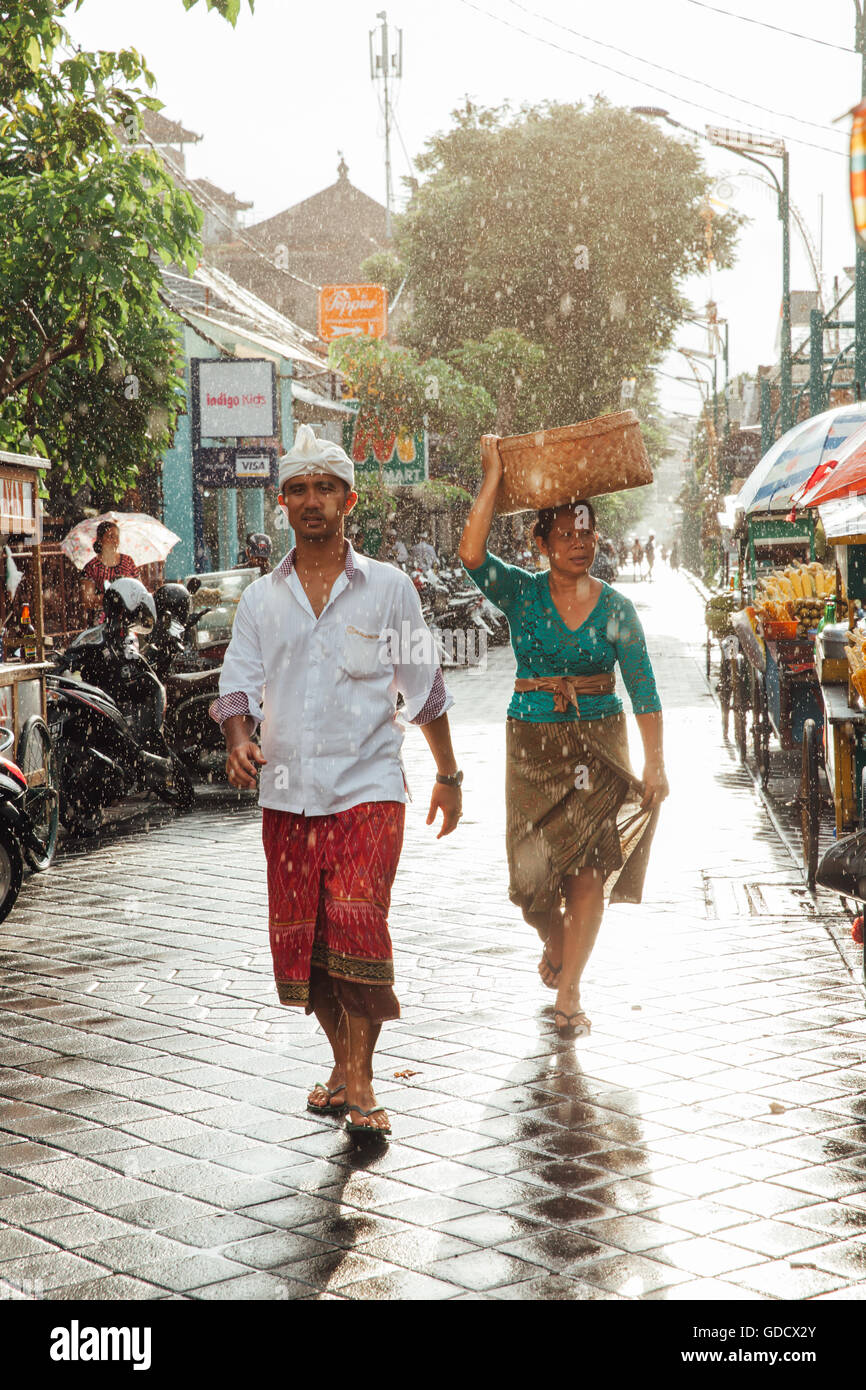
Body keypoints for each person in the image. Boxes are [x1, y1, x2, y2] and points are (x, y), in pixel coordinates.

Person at [210, 424, 462, 1137]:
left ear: (349, 499)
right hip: (287, 794)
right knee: (310, 946)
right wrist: (239, 740)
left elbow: (427, 687)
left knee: (356, 923)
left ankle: (362, 1081)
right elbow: (236, 690)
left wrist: (448, 772)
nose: (313, 501)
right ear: (281, 502)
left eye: (326, 488)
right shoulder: (261, 600)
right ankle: (344, 1065)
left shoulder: (389, 588)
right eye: (299, 489)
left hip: (371, 787)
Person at [459, 437, 668, 1038]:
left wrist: (655, 764)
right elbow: (471, 553)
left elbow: (646, 693)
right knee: (528, 883)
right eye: (566, 534)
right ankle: (553, 935)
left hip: (600, 747)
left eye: (588, 532)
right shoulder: (522, 594)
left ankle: (570, 992)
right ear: (542, 543)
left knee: (586, 871)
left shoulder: (619, 608)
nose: (580, 542)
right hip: (533, 745)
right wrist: (495, 473)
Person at [80, 521, 140, 624]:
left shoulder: (128, 561)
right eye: (110, 536)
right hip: (103, 619)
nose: (114, 541)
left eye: (117, 537)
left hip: (128, 617)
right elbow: (87, 600)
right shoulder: (91, 567)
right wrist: (113, 597)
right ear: (100, 540)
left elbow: (139, 588)